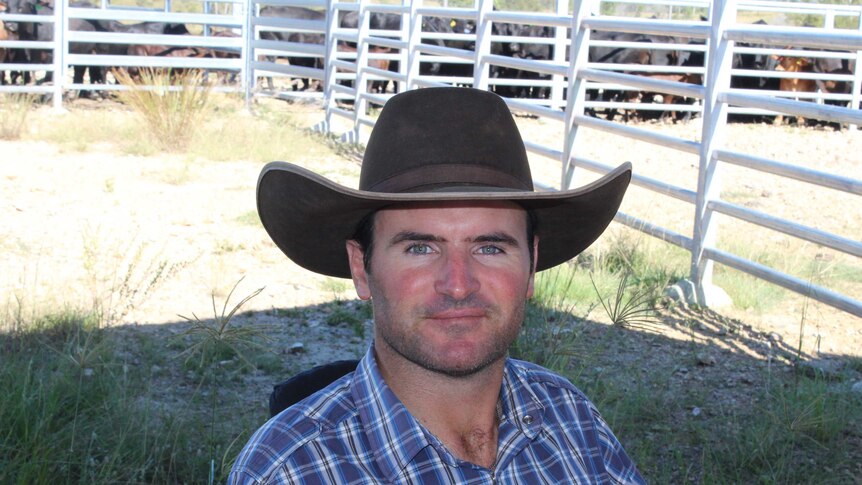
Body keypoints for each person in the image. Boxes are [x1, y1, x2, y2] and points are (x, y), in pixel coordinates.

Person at [229, 87, 644, 484]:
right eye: (420, 248)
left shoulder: (572, 420)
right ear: (361, 267)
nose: (458, 286)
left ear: (531, 265)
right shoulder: (288, 471)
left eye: (491, 248)